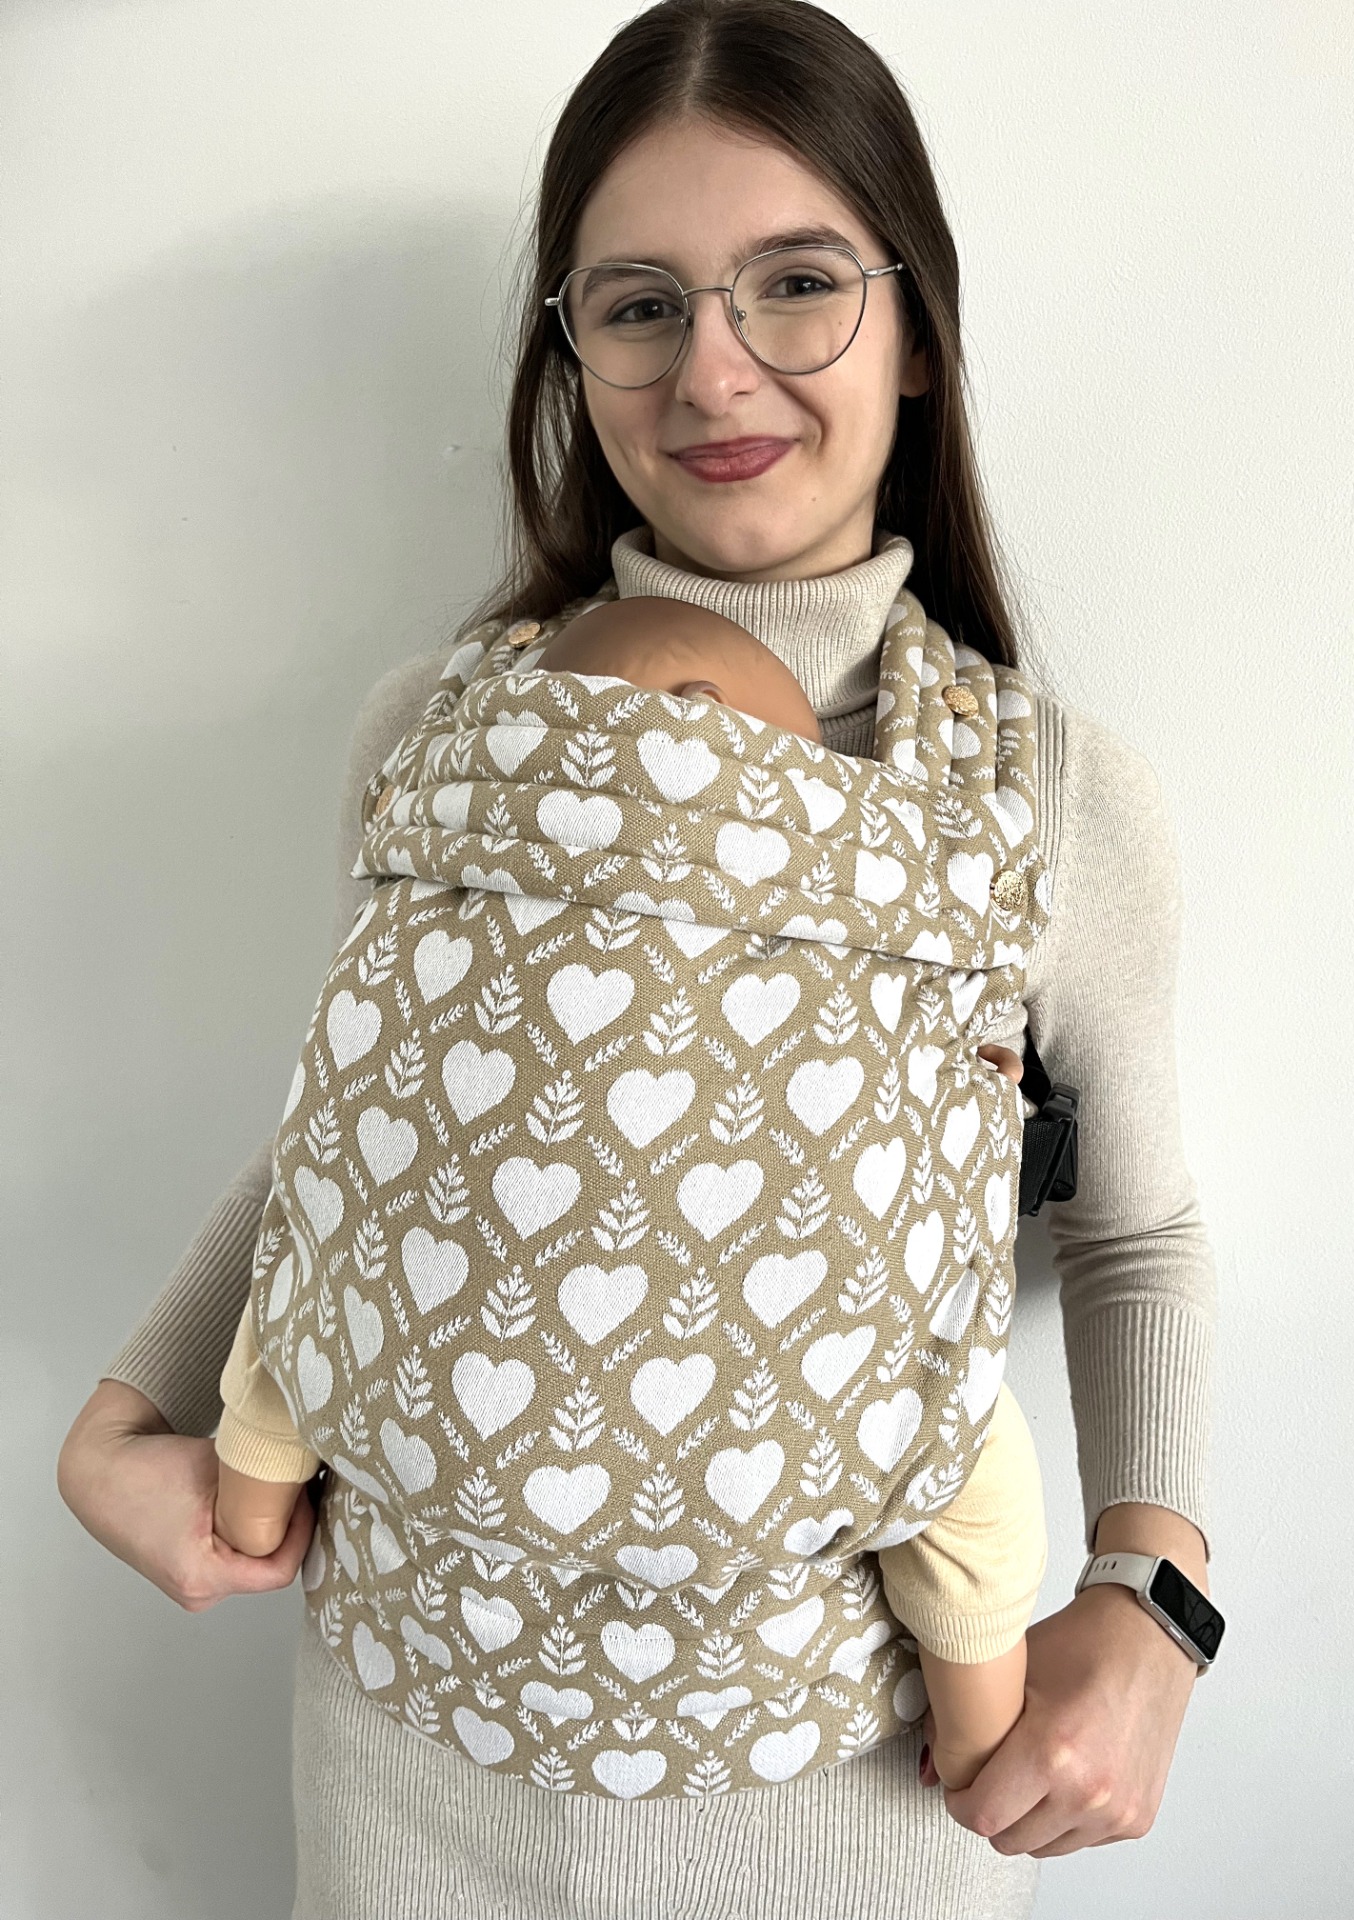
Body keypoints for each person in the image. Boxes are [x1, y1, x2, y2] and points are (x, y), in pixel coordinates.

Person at [57, 3, 1217, 1914]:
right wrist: (130, 1410)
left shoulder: (1052, 802)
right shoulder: (437, 735)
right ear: (571, 351)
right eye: (640, 304)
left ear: (920, 329)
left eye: (799, 284)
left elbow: (1139, 1232)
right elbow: (369, 1142)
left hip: (855, 1809)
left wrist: (1152, 1602)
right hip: (410, 1769)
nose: (715, 368)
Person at [210, 589, 1048, 1799]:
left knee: (315, 1307)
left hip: (423, 1515)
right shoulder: (955, 828)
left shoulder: (449, 772)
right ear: (697, 726)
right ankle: (978, 1736)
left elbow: (338, 1152)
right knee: (962, 1463)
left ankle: (252, 1491)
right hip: (430, 1791)